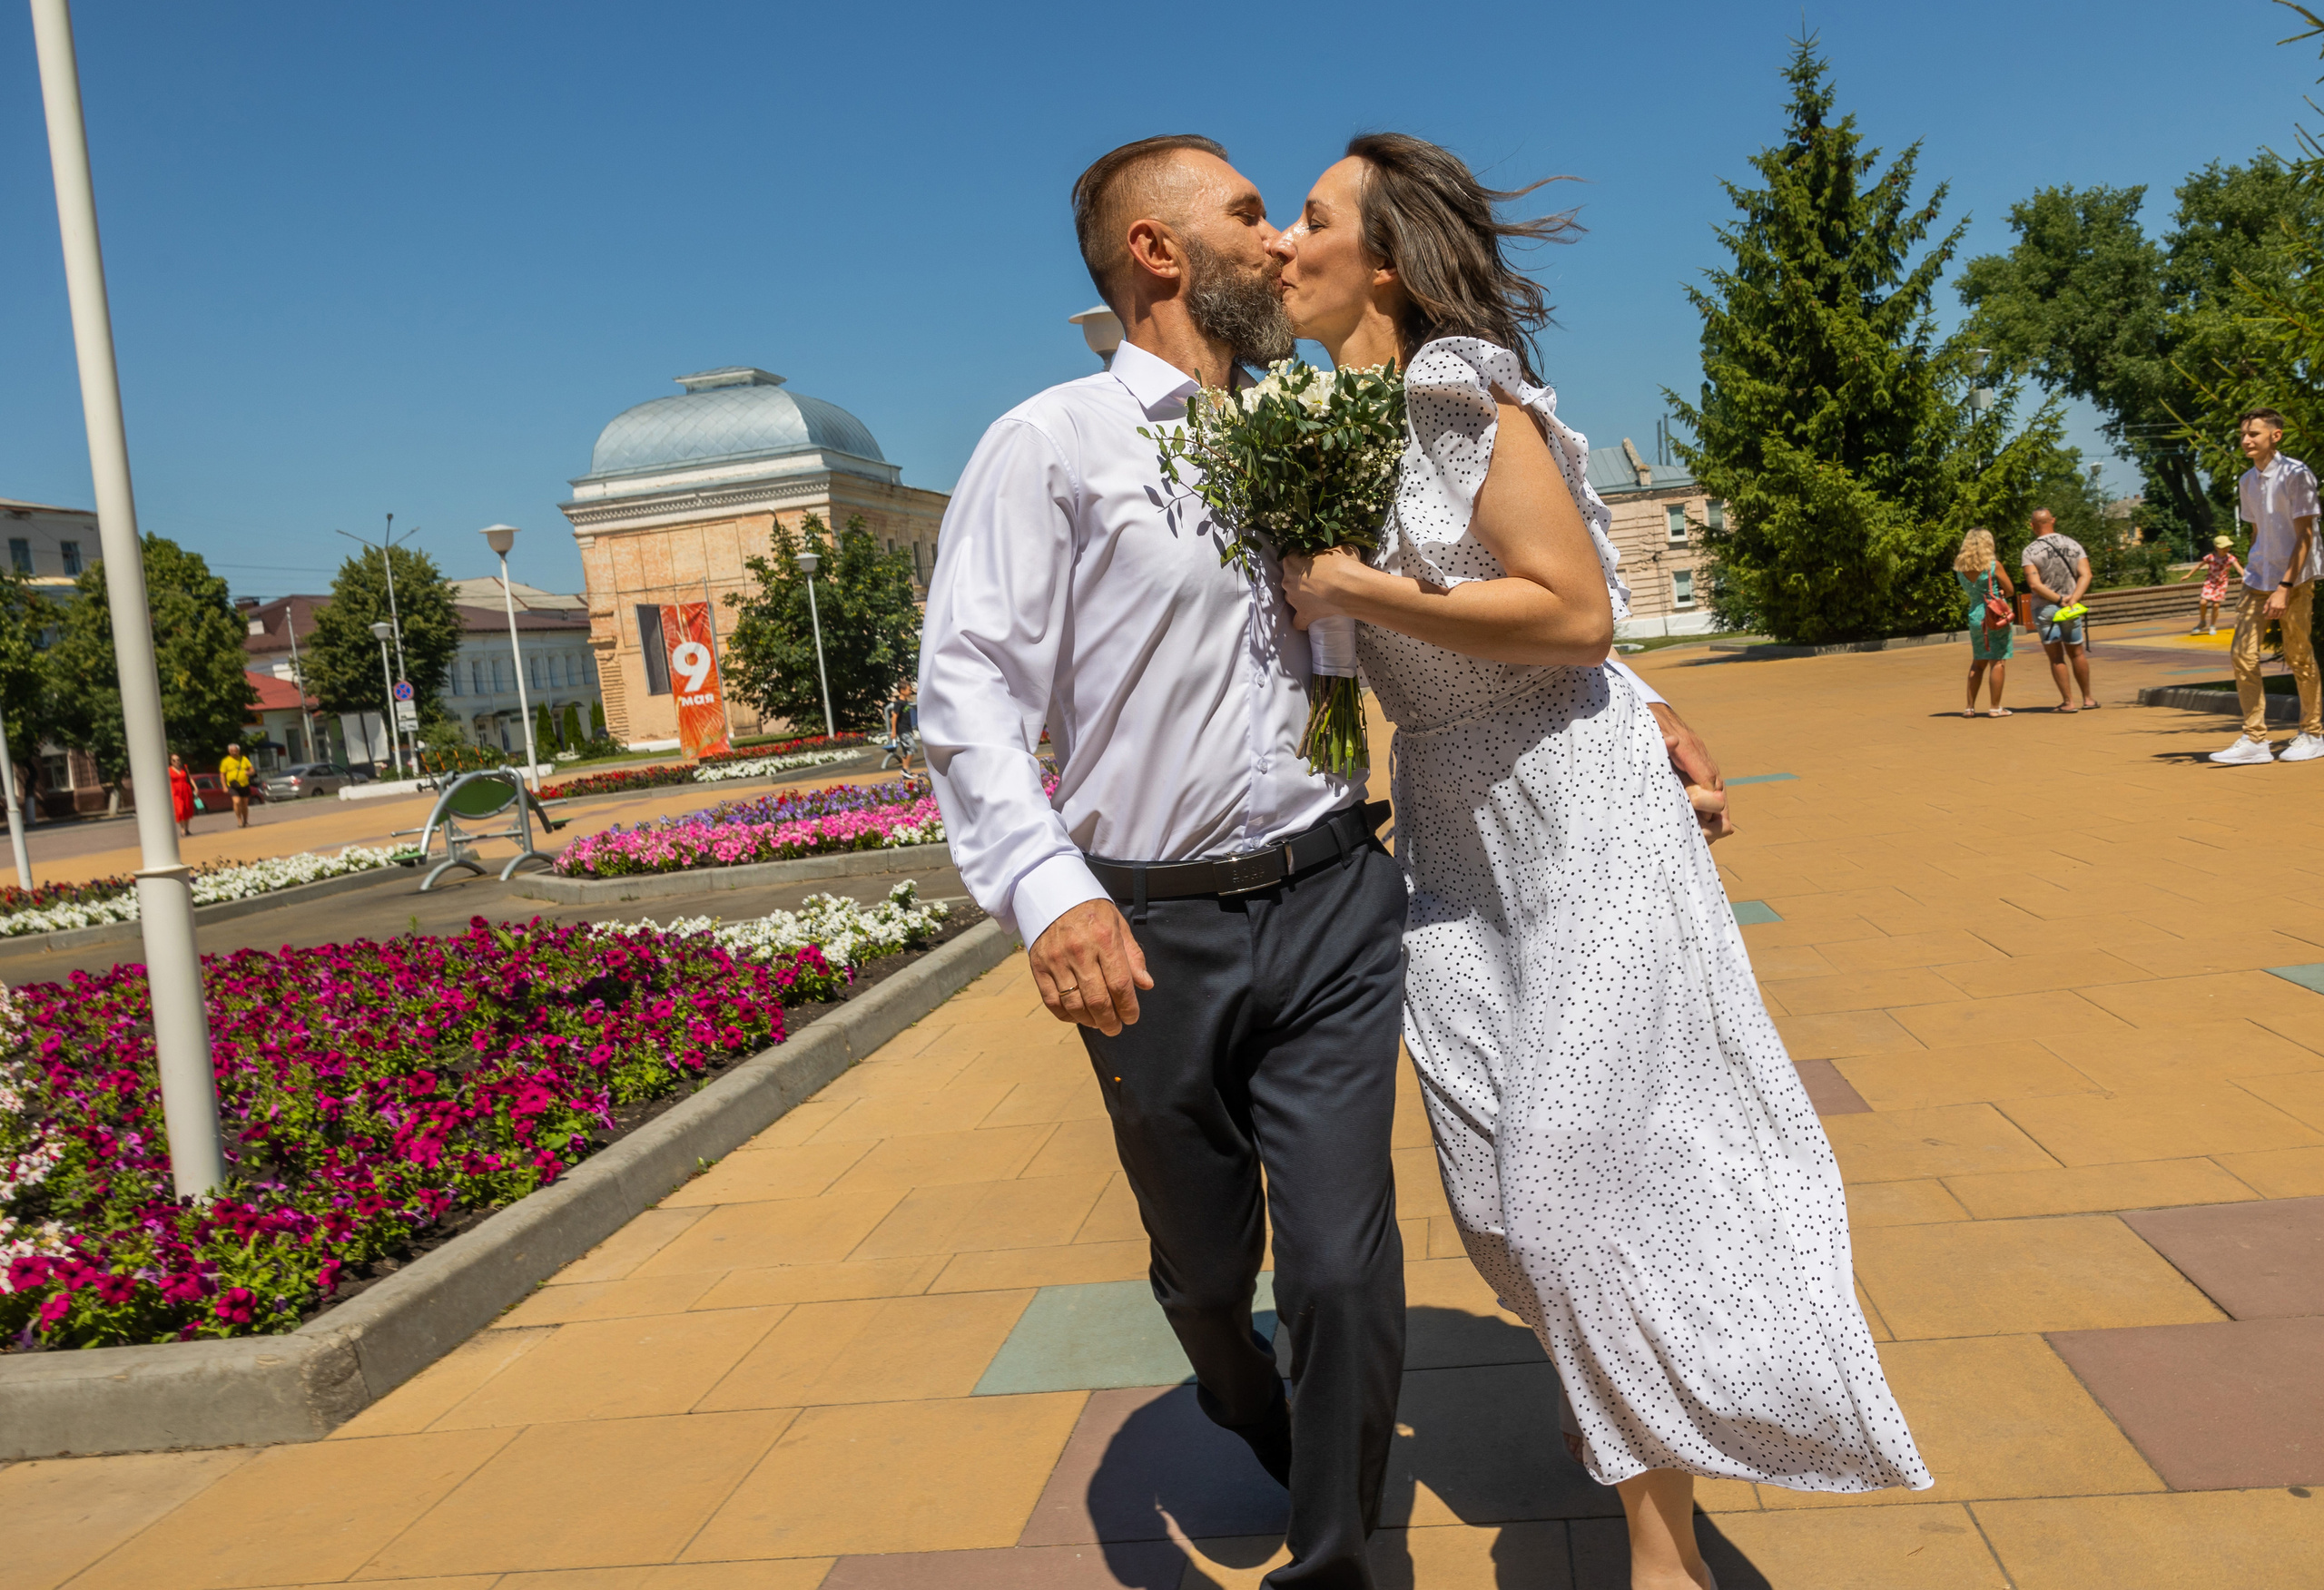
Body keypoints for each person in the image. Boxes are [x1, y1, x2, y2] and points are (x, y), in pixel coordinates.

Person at [919, 134, 1728, 1590]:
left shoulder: (1327, 430)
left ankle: (1336, 1562)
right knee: (1215, 1276)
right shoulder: (1051, 443)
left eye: (1291, 215)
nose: (1276, 239)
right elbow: (966, 691)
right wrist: (1051, 896)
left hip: (1338, 901)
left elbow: (1479, 582)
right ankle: (1232, 1375)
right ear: (1159, 254)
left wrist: (1645, 705)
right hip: (1148, 931)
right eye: (1247, 214)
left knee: (1348, 1271)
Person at [1271, 135, 1929, 1589]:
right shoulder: (1342, 423)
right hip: (1448, 822)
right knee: (1497, 1196)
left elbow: (1574, 616)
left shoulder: (1457, 393)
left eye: (1308, 220)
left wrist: (1363, 589)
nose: (1281, 246)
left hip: (1578, 813)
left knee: (1571, 1185)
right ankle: (1629, 1380)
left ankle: (1659, 1542)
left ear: (1382, 259)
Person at [2211, 407, 2323, 765]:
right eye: (2243, 433)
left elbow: (2305, 535)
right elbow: (2258, 530)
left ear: (2275, 436)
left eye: (2254, 434)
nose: (2246, 439)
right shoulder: (2246, 481)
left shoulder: (2296, 474)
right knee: (2242, 654)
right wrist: (2254, 569)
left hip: (2296, 578)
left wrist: (2285, 586)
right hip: (2259, 578)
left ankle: (2314, 732)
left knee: (2299, 654)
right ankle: (2255, 739)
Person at [2021, 509, 2096, 712]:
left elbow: (2035, 585)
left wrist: (2058, 599)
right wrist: (2073, 598)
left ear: (2032, 525)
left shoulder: (2030, 551)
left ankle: (2068, 702)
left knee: (2056, 658)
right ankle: (2088, 699)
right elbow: (2086, 574)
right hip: (2070, 608)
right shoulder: (2073, 544)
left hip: (2045, 609)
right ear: (2053, 520)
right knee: (2077, 653)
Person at [1954, 528, 2015, 718]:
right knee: (1998, 659)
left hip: (1975, 614)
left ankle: (1969, 707)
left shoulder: (1960, 568)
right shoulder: (1994, 565)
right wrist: (2001, 593)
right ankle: (1995, 707)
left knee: (1978, 661)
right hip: (1993, 614)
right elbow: (2010, 589)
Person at [2194, 534, 2244, 636]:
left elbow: (2239, 569)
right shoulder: (2211, 557)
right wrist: (2188, 575)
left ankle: (2212, 625)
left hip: (2221, 584)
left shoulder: (2230, 558)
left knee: (2216, 605)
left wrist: (2245, 577)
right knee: (2203, 602)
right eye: (2224, 547)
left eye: (2228, 547)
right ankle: (2202, 621)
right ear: (2217, 547)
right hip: (2210, 582)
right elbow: (2199, 566)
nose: (2227, 549)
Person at [219, 742, 257, 829]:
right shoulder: (225, 761)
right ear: (229, 751)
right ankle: (239, 819)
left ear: (238, 751)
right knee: (237, 801)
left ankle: (246, 821)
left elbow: (252, 770)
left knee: (244, 804)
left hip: (244, 785)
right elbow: (222, 775)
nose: (234, 752)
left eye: (235, 751)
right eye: (232, 751)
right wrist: (224, 786)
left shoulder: (244, 759)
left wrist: (249, 772)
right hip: (232, 785)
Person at [167, 753, 195, 839]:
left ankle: (187, 829)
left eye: (178, 760)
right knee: (180, 810)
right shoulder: (168, 770)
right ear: (171, 761)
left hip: (186, 790)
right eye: (174, 760)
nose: (176, 762)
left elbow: (189, 778)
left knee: (187, 809)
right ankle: (182, 829)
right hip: (176, 792)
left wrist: (195, 787)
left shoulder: (184, 769)